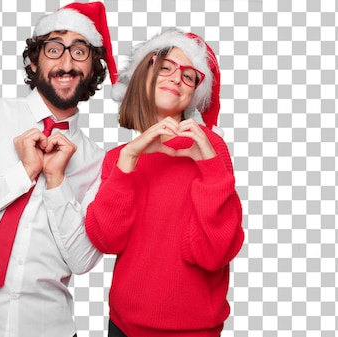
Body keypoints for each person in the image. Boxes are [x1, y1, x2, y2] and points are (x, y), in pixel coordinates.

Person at [0, 2, 118, 336]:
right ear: (34, 59)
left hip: (48, 327)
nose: (66, 62)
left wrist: (56, 181)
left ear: (93, 67)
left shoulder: (99, 162)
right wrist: (23, 173)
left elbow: (83, 261)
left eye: (80, 51)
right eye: (54, 48)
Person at [85, 28, 245, 337]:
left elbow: (214, 253)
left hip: (192, 331)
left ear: (193, 93)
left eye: (188, 76)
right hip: (123, 327)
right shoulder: (120, 157)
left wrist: (210, 168)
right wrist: (128, 161)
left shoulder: (209, 149)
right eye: (165, 67)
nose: (175, 78)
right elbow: (106, 240)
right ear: (143, 74)